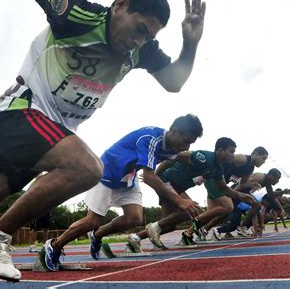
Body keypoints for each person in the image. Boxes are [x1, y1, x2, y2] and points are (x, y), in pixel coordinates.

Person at [0, 0, 206, 283]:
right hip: (20, 112)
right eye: (139, 29)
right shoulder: (75, 13)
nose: (138, 41)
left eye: (147, 36)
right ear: (120, 5)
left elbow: (174, 82)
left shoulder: (141, 51)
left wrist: (190, 44)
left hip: (49, 136)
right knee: (87, 169)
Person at [40, 114, 203, 270]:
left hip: (128, 177)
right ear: (174, 130)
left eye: (190, 144)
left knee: (134, 218)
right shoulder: (151, 138)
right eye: (186, 141)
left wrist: (201, 162)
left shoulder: (174, 146)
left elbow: (182, 155)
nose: (186, 146)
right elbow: (149, 177)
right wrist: (180, 201)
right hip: (107, 173)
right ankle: (54, 246)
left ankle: (97, 235)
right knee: (92, 221)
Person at [128, 137, 258, 250]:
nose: (233, 155)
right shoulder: (205, 158)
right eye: (231, 152)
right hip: (168, 182)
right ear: (220, 150)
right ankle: (154, 227)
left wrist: (241, 196)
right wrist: (155, 176)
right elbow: (174, 157)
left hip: (177, 188)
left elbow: (224, 189)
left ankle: (135, 238)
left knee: (169, 225)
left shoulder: (217, 169)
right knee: (190, 210)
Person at [198, 147, 269, 238]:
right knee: (228, 207)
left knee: (212, 213)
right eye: (263, 158)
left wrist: (251, 184)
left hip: (221, 185)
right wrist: (202, 174)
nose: (264, 162)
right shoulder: (243, 159)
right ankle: (190, 232)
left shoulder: (250, 169)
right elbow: (222, 158)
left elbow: (242, 184)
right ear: (255, 154)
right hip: (213, 180)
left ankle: (200, 231)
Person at [212, 169, 281, 239]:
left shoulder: (267, 182)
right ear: (271, 175)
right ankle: (242, 226)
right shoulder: (260, 177)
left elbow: (271, 194)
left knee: (235, 224)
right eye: (277, 178)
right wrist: (233, 193)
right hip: (236, 191)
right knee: (256, 205)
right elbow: (241, 184)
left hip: (242, 195)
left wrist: (283, 192)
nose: (277, 181)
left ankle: (222, 230)